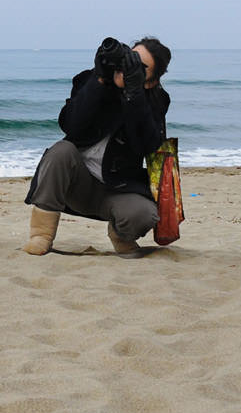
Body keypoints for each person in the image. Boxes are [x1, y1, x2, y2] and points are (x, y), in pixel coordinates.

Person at [23, 37, 172, 258]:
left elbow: (146, 146)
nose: (128, 67)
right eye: (130, 59)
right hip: (76, 182)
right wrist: (99, 80)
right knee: (61, 151)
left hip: (117, 190)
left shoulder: (156, 99)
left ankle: (120, 235)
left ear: (151, 81)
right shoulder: (89, 80)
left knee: (144, 215)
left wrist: (134, 95)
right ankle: (41, 235)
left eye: (139, 67)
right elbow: (70, 125)